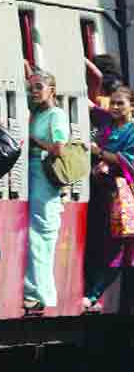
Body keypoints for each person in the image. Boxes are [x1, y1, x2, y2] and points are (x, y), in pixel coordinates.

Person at [83, 86, 134, 312]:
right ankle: (90, 293)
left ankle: (93, 294)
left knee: (118, 250)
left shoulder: (132, 132)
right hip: (98, 195)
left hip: (121, 199)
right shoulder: (106, 125)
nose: (114, 107)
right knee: (96, 245)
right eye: (112, 102)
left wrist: (99, 153)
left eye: (120, 103)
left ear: (131, 106)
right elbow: (89, 104)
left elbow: (127, 161)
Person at [23, 71, 70, 316]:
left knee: (40, 235)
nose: (34, 91)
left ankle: (38, 294)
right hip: (34, 175)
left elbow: (60, 149)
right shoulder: (37, 114)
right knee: (34, 234)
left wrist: (34, 140)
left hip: (44, 178)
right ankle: (34, 292)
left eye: (39, 87)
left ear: (52, 89)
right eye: (31, 87)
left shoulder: (56, 115)